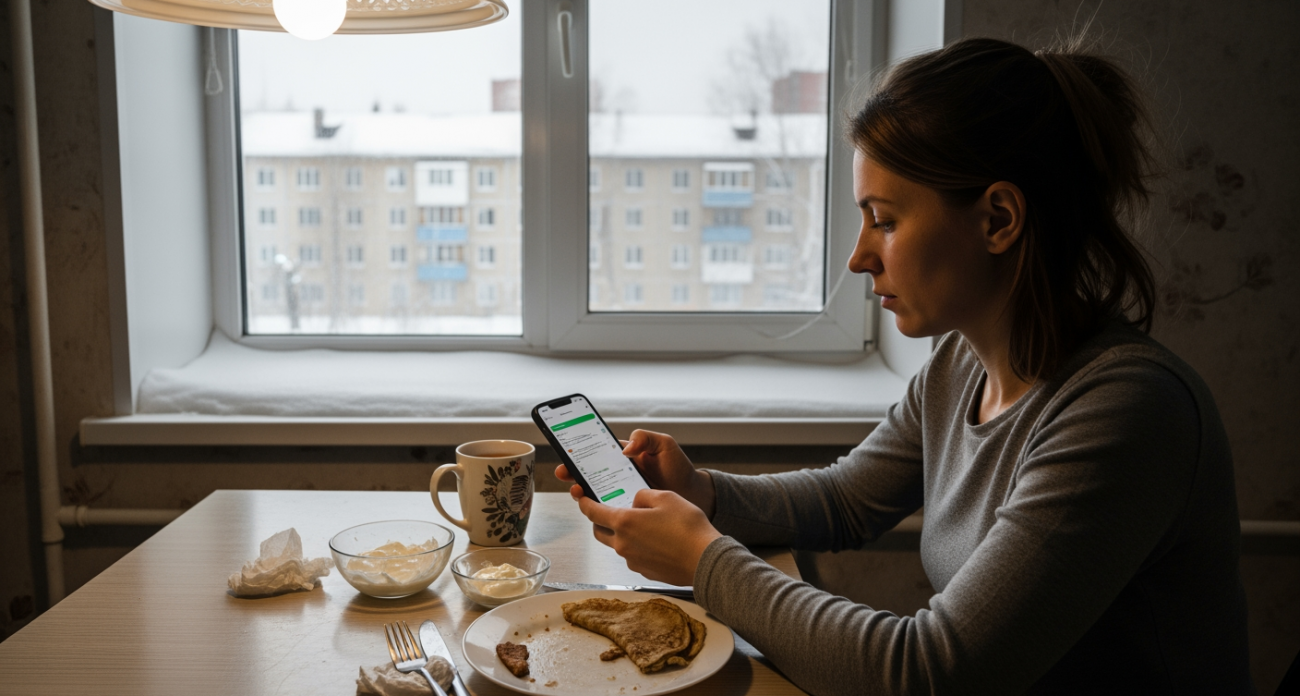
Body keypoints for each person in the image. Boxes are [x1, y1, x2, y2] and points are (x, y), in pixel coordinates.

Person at [557, 35, 1256, 695]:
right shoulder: (962, 364)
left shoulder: (1127, 413)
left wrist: (704, 560)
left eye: (884, 220)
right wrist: (705, 494)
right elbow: (846, 498)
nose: (860, 256)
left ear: (998, 219)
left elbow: (928, 674)